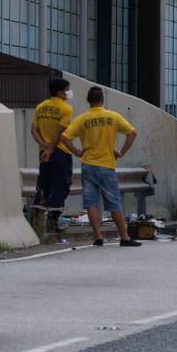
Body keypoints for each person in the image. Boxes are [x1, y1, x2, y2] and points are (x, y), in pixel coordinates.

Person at [60, 87, 138, 248]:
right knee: (114, 202)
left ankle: (98, 236)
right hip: (106, 165)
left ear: (88, 100)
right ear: (102, 99)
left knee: (91, 203)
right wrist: (121, 152)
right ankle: (124, 237)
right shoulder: (112, 116)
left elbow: (65, 137)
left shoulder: (82, 119)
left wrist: (77, 151)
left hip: (88, 165)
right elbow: (132, 133)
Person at [29, 78, 73, 244]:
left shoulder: (40, 107)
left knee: (43, 186)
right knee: (61, 185)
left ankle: (37, 226)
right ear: (60, 92)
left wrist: (44, 146)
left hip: (44, 153)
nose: (69, 92)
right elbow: (59, 132)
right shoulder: (66, 108)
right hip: (60, 152)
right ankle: (52, 225)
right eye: (67, 89)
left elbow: (33, 130)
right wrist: (50, 149)